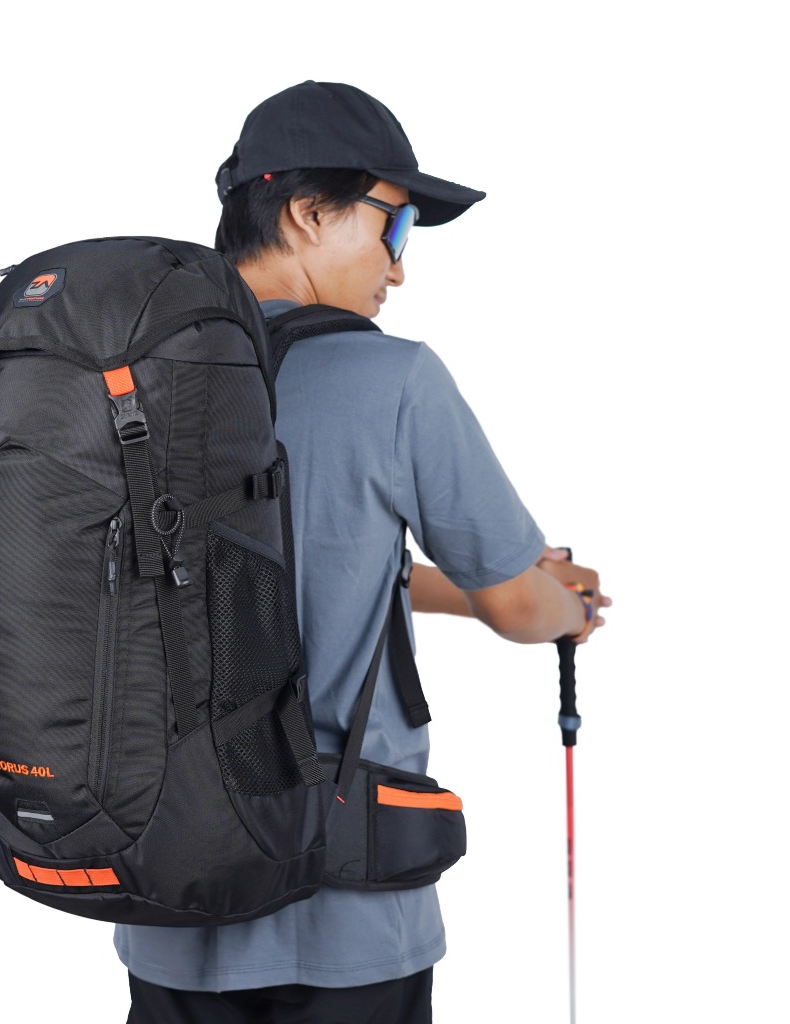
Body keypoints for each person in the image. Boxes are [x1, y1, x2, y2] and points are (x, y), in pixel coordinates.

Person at [115, 80, 609, 1024]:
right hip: (345, 904)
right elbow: (520, 606)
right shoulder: (395, 379)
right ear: (309, 213)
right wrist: (567, 607)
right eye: (397, 224)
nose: (400, 268)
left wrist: (458, 592)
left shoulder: (137, 385)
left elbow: (267, 568)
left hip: (168, 901)